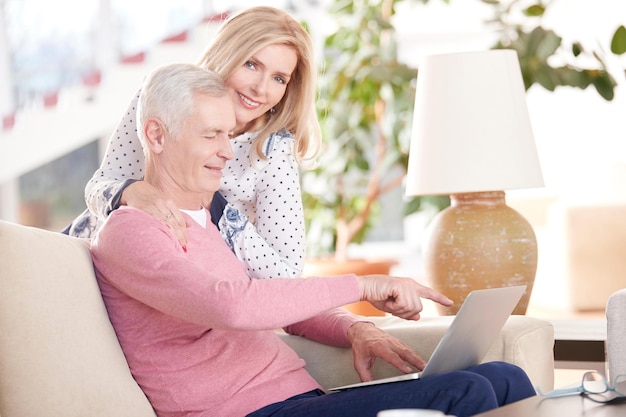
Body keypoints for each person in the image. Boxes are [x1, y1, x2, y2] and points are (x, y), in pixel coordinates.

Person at [90, 62, 536, 417]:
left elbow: (279, 304)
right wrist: (363, 285)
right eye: (210, 135)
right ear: (155, 135)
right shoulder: (130, 230)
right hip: (245, 411)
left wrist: (354, 325)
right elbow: (233, 304)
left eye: (229, 134)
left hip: (299, 398)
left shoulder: (215, 222)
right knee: (467, 391)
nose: (227, 151)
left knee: (504, 376)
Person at [68, 6, 320, 279]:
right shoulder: (161, 96)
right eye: (251, 64)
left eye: (278, 78)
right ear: (228, 54)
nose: (260, 89)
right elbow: (98, 186)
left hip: (169, 283)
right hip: (85, 259)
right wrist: (129, 192)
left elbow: (287, 276)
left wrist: (217, 211)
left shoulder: (273, 151)